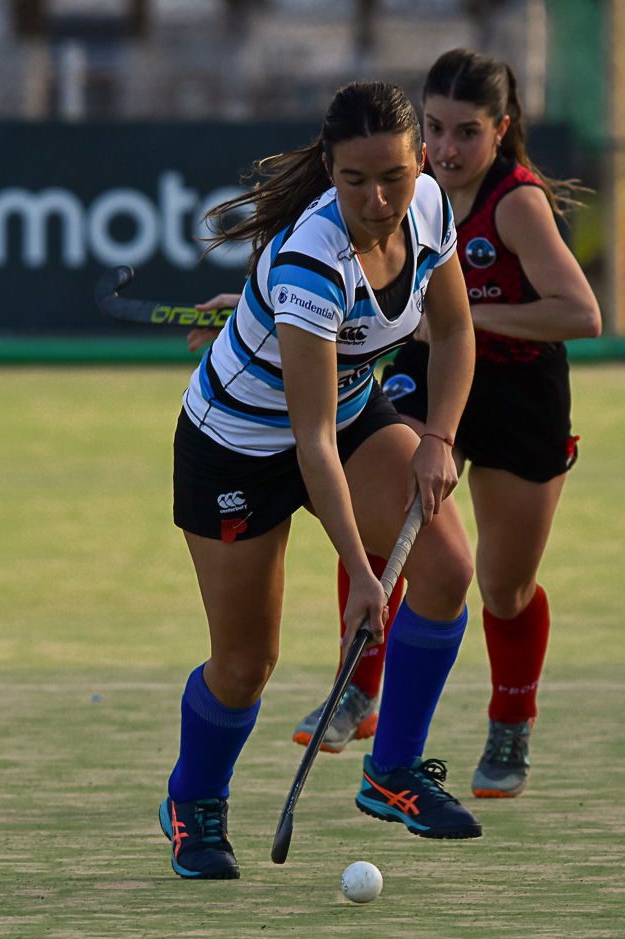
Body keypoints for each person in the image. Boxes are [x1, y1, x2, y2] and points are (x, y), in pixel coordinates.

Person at [161, 80, 482, 880]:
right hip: (239, 444)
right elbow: (308, 445)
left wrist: (438, 436)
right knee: (245, 663)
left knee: (447, 568)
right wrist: (365, 578)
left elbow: (453, 329)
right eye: (354, 181)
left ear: (419, 166)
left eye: (394, 177)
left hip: (349, 411)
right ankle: (193, 800)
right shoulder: (311, 262)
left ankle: (392, 772)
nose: (378, 200)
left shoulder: (432, 209)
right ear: (329, 173)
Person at [290, 48, 602, 799]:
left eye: (468, 131)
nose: (448, 149)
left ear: (501, 129)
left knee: (503, 587)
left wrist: (459, 316)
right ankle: (360, 691)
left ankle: (510, 719)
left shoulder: (515, 205)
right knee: (388, 521)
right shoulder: (401, 190)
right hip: (431, 386)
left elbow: (580, 313)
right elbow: (322, 279)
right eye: (434, 128)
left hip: (520, 400)